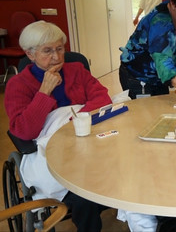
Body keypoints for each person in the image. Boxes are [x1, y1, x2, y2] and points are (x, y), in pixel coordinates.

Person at [4, 21, 112, 232]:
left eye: (60, 49)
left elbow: (102, 98)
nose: (56, 56)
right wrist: (44, 92)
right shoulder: (18, 85)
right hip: (53, 150)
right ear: (30, 54)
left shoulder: (77, 70)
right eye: (47, 51)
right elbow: (24, 130)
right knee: (84, 197)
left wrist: (74, 123)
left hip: (87, 137)